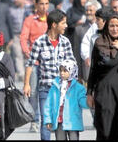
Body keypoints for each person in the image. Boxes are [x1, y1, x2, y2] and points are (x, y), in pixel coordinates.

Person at [23, 9, 76, 140]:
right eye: (63, 23)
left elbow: (72, 63)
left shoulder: (65, 42)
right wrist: (26, 84)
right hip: (45, 89)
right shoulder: (39, 42)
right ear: (54, 25)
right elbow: (30, 64)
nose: (66, 26)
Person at [86, 14, 118, 140]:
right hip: (104, 95)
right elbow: (94, 69)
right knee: (104, 130)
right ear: (107, 27)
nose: (115, 29)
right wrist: (89, 93)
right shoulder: (100, 43)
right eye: (112, 26)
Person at [20, 0, 50, 133]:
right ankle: (34, 120)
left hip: (49, 63)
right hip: (34, 62)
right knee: (32, 91)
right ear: (36, 5)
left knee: (48, 92)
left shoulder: (52, 19)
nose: (44, 7)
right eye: (41, 4)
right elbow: (23, 37)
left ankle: (48, 119)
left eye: (46, 4)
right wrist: (28, 53)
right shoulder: (30, 20)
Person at [43, 59, 89, 140]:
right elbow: (48, 105)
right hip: (59, 121)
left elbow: (83, 102)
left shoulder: (78, 88)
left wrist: (90, 101)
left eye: (65, 71)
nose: (62, 73)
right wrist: (48, 120)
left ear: (72, 71)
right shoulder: (55, 86)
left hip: (73, 122)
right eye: (60, 70)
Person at [80, 7, 114, 84]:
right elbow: (86, 44)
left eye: (98, 20)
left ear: (106, 21)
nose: (96, 22)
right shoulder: (94, 35)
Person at [72, 0, 101, 83]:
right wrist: (78, 74)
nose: (88, 12)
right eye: (87, 10)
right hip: (86, 71)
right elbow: (77, 53)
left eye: (91, 10)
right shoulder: (79, 29)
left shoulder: (103, 27)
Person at [7, 0, 26, 81]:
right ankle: (21, 74)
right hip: (16, 35)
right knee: (17, 54)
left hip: (26, 35)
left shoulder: (28, 10)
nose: (15, 0)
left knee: (27, 54)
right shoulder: (11, 10)